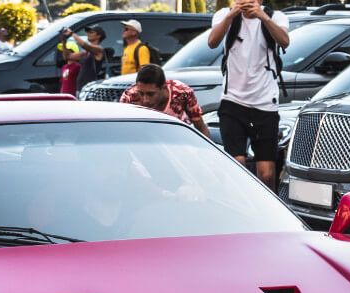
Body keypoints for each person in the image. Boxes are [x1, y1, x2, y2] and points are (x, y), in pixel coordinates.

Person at [207, 0, 289, 191]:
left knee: (267, 173)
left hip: (265, 104)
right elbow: (212, 43)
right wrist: (231, 15)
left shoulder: (276, 17)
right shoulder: (224, 15)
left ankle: (268, 212)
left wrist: (263, 17)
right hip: (232, 102)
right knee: (237, 165)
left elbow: (284, 41)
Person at [120, 64, 211, 139]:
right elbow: (123, 133)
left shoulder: (182, 92)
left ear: (163, 87)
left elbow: (200, 127)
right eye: (141, 93)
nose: (145, 100)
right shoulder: (129, 97)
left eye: (150, 94)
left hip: (177, 140)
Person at [61, 25, 105, 92]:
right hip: (81, 88)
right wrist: (64, 41)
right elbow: (67, 56)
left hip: (91, 89)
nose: (88, 34)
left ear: (98, 36)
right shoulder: (86, 53)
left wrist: (72, 34)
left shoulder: (99, 50)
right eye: (88, 32)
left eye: (91, 32)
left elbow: (84, 45)